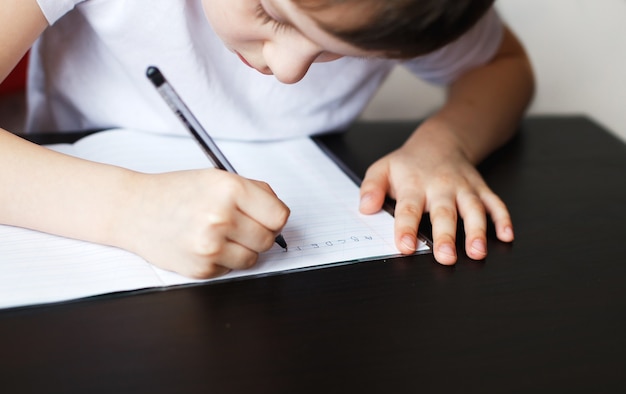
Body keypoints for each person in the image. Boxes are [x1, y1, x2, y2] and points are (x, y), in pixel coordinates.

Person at [0, 0, 534, 278]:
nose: (287, 69)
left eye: (337, 50)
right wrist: (125, 210)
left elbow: (503, 67)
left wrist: (446, 141)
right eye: (272, 14)